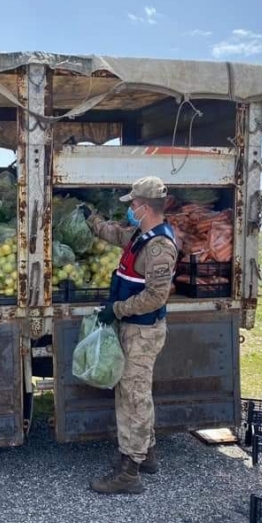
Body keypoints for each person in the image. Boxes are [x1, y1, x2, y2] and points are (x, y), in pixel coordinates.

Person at [80, 176, 178, 495]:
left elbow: (155, 297)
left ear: (146, 207)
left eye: (133, 205)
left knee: (132, 397)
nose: (130, 210)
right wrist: (91, 217)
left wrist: (118, 309)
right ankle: (146, 455)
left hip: (142, 330)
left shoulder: (160, 246)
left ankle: (130, 472)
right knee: (135, 392)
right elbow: (117, 233)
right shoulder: (141, 234)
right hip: (133, 327)